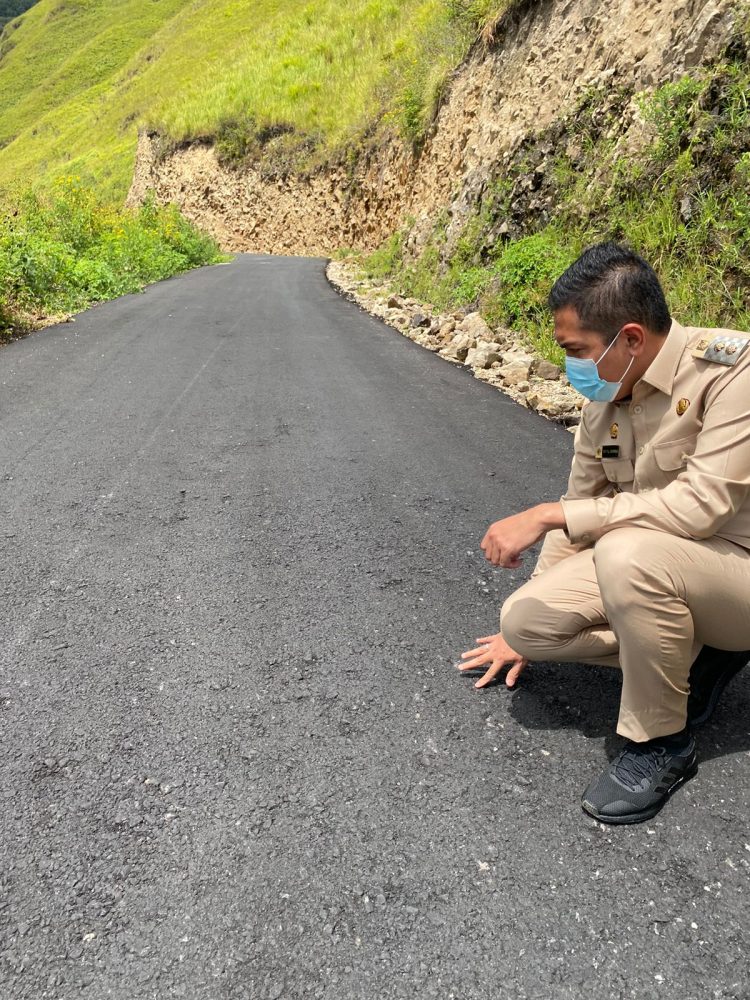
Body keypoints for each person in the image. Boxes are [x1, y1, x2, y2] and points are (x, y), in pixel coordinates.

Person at [459, 242, 750, 825]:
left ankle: (662, 743)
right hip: (662, 566)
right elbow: (583, 504)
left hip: (736, 572)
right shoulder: (608, 397)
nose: (571, 366)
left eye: (576, 351)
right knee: (525, 621)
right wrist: (529, 618)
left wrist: (547, 515)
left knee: (626, 552)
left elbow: (698, 507)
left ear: (632, 339)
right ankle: (691, 654)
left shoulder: (732, 372)